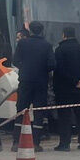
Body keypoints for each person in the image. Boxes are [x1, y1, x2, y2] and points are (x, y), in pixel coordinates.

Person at [11, 20, 54, 151]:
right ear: (41, 31)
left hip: (25, 81)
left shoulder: (23, 43)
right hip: (41, 82)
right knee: (39, 112)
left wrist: (24, 69)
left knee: (21, 110)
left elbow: (15, 60)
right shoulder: (47, 45)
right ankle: (35, 143)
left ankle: (16, 143)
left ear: (30, 30)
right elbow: (52, 64)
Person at [52, 26, 80, 151]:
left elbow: (59, 70)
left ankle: (64, 144)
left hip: (64, 90)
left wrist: (74, 81)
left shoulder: (60, 50)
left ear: (63, 35)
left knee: (64, 117)